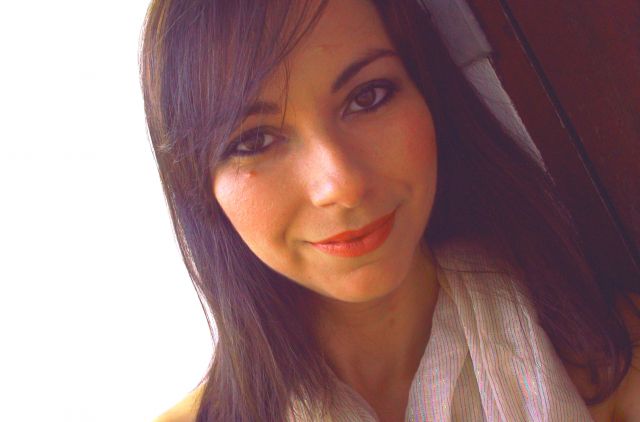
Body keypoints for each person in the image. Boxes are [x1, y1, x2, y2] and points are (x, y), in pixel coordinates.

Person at [140, 0, 640, 421]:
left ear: (428, 94)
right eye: (254, 140)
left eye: (368, 97)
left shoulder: (612, 362)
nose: (341, 185)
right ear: (199, 187)